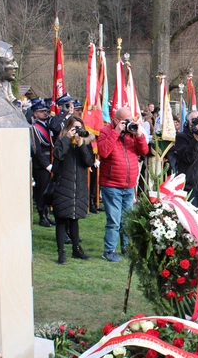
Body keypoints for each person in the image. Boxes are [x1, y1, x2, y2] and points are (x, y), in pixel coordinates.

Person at [97, 107, 149, 262]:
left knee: (127, 219)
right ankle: (109, 250)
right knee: (114, 220)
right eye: (125, 120)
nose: (128, 123)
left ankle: (126, 248)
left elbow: (144, 151)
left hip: (129, 185)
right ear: (116, 120)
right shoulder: (106, 131)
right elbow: (104, 152)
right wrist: (116, 132)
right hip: (111, 183)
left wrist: (139, 135)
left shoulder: (132, 133)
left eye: (130, 120)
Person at [52, 116, 95, 264]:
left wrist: (82, 144)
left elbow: (89, 162)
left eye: (80, 128)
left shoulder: (84, 143)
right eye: (75, 128)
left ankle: (76, 249)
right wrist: (67, 138)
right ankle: (61, 252)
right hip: (63, 184)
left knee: (75, 218)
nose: (77, 131)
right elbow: (58, 155)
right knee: (61, 219)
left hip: (79, 186)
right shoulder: (62, 140)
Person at [30, 99, 54, 227]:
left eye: (45, 111)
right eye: (41, 111)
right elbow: (36, 150)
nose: (45, 113)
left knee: (49, 190)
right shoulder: (34, 128)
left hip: (50, 160)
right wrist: (46, 165)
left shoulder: (48, 125)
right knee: (42, 191)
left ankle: (47, 214)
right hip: (41, 165)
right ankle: (41, 215)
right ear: (35, 113)